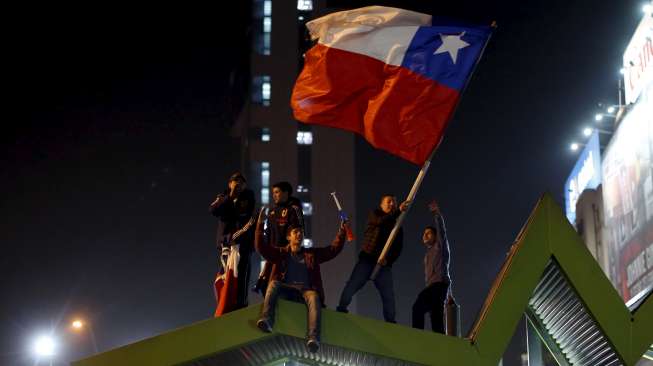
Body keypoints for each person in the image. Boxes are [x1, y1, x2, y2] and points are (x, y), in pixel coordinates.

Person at [254, 208, 348, 353]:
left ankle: (313, 338)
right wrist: (260, 225)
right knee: (273, 284)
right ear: (288, 237)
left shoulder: (311, 254)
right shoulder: (281, 253)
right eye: (295, 232)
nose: (299, 235)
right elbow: (261, 248)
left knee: (314, 297)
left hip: (305, 292)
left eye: (301, 233)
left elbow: (332, 250)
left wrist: (342, 231)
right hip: (286, 289)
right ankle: (267, 320)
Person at [336, 194, 409, 323]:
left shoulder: (398, 224)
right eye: (389, 202)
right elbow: (381, 222)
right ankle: (341, 308)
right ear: (381, 205)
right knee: (353, 284)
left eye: (394, 202)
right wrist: (398, 212)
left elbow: (398, 248)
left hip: (383, 265)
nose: (392, 204)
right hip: (368, 258)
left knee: (388, 295)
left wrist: (388, 260)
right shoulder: (375, 214)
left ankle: (390, 322)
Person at [209, 172, 256, 315]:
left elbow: (246, 215)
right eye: (236, 181)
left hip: (243, 244)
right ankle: (225, 307)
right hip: (226, 246)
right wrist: (230, 197)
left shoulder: (248, 197)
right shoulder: (222, 197)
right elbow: (213, 210)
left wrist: (237, 198)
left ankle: (240, 307)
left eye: (242, 182)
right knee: (225, 278)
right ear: (230, 184)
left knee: (241, 277)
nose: (239, 184)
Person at [253, 181, 304, 294]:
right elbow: (268, 232)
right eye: (273, 193)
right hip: (273, 254)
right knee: (266, 286)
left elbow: (299, 230)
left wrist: (289, 249)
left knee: (282, 286)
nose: (274, 195)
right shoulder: (272, 211)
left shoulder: (294, 209)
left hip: (286, 255)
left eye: (277, 192)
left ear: (286, 193)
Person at [411, 199, 451, 333]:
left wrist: (437, 214)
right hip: (432, 287)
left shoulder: (440, 246)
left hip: (439, 285)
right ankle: (431, 340)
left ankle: (419, 337)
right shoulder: (427, 255)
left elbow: (442, 232)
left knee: (424, 310)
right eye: (424, 234)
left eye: (428, 233)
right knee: (432, 315)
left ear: (435, 236)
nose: (425, 235)